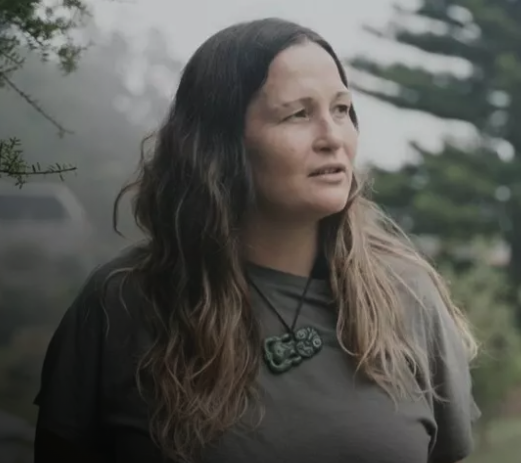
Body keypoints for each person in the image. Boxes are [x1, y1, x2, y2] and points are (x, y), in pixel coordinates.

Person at [33, 17, 480, 463]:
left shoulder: (408, 294)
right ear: (220, 144)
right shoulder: (121, 304)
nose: (332, 137)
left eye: (341, 109)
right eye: (299, 114)